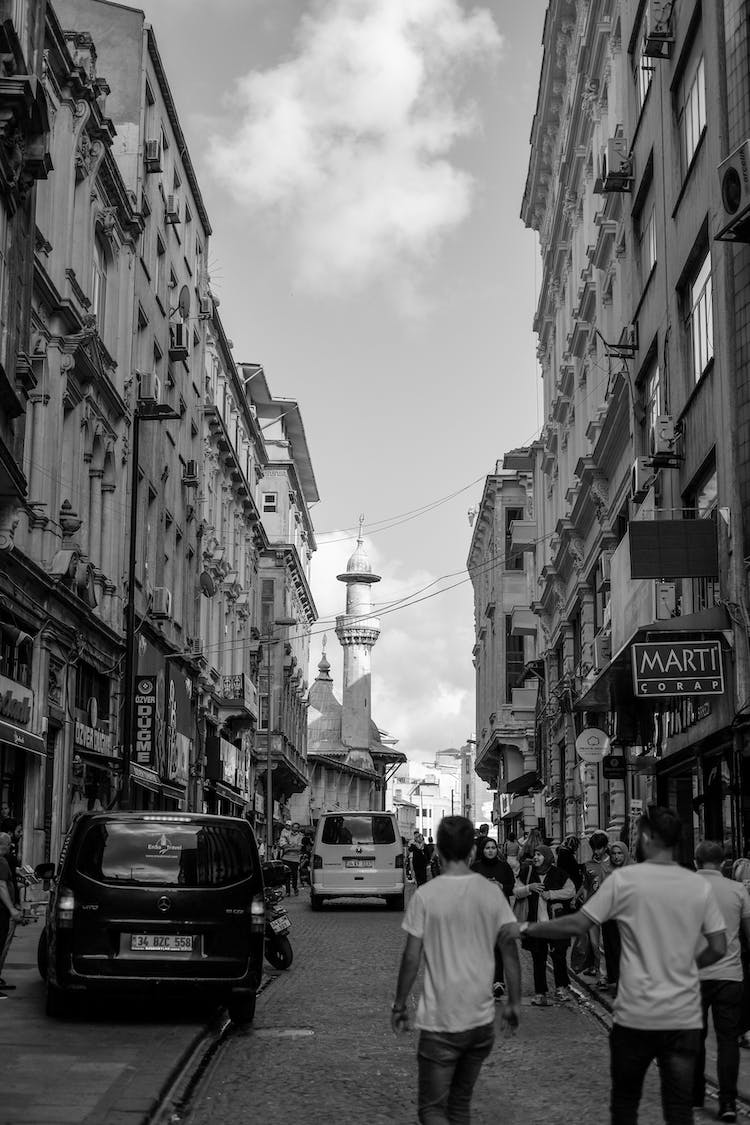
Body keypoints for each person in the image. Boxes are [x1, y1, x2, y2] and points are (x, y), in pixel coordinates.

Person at [520, 806, 727, 1125]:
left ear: (646, 837)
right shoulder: (697, 885)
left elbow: (576, 924)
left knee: (626, 1104)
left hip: (637, 1015)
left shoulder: (624, 881)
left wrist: (527, 928)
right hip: (683, 1015)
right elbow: (718, 947)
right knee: (678, 1108)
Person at [392, 815, 521, 1124]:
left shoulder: (426, 896)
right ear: (473, 853)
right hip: (479, 1022)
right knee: (459, 1105)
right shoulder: (491, 893)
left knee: (433, 1110)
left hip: (441, 1021)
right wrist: (514, 1004)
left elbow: (411, 958)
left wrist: (399, 1005)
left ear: (438, 852)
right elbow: (511, 953)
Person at [692, 840, 750, 1122]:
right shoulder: (738, 890)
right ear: (723, 862)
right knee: (728, 1040)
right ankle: (727, 1103)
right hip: (729, 975)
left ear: (695, 862)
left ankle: (694, 1093)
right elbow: (748, 933)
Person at [514, 843, 576, 1006]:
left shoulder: (559, 873)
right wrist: (530, 887)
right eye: (535, 854)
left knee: (559, 957)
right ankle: (540, 993)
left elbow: (571, 890)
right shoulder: (527, 872)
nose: (535, 857)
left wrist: (552, 894)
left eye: (540, 854)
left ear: (547, 857)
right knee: (538, 959)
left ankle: (561, 989)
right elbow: (516, 891)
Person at [471, 836, 515, 999]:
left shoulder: (504, 867)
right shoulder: (475, 867)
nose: (491, 850)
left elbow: (512, 887)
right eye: (487, 848)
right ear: (482, 850)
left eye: (493, 848)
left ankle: (498, 982)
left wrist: (501, 886)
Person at [600, 841, 630, 991]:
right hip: (610, 919)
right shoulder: (606, 871)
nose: (617, 857)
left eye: (620, 853)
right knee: (613, 952)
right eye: (614, 853)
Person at [0, 832, 22, 999]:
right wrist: (12, 909)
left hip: (4, 910)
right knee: (1, 946)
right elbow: (1, 886)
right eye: (8, 846)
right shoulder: (1, 861)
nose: (9, 849)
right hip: (2, 911)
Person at [278, 822, 303, 895]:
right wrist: (292, 846)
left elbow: (299, 848)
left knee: (294, 875)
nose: (295, 829)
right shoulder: (286, 835)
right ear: (291, 827)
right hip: (286, 858)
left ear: (298, 828)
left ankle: (295, 888)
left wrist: (289, 847)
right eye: (294, 827)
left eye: (296, 827)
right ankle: (288, 891)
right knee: (286, 875)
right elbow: (283, 845)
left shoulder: (300, 836)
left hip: (295, 859)